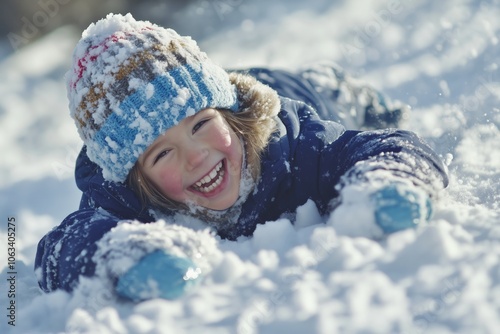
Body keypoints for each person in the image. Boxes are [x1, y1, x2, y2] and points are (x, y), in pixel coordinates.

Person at [35, 13, 448, 302]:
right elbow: (62, 246)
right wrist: (120, 253)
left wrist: (392, 177)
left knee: (325, 89)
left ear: (228, 114)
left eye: (200, 125)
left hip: (291, 89)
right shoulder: (124, 193)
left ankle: (336, 84)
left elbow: (385, 146)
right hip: (215, 90)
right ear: (135, 174)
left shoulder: (293, 143)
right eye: (162, 153)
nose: (196, 157)